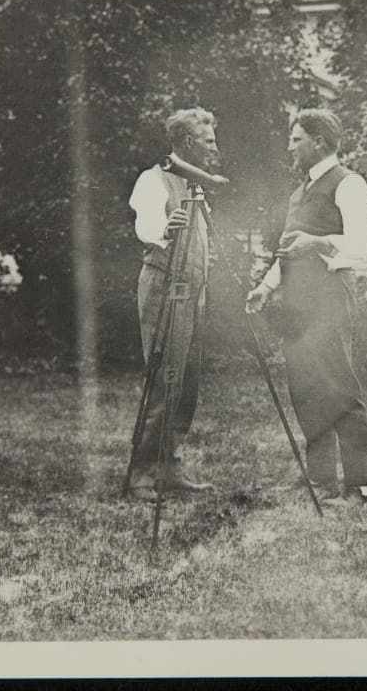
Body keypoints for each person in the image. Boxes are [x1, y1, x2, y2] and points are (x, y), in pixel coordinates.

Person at [246, 109, 367, 509]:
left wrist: (316, 243)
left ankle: (360, 486)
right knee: (304, 389)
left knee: (337, 387)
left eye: (296, 139)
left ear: (318, 142)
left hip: (331, 298)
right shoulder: (299, 192)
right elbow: (288, 250)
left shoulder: (349, 184)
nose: (290, 146)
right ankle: (320, 478)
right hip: (297, 304)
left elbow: (362, 246)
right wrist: (265, 288)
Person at [125, 107, 218, 501]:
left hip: (193, 290)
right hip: (165, 286)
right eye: (210, 141)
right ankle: (141, 474)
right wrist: (166, 228)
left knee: (188, 381)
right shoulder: (154, 179)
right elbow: (144, 226)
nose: (215, 149)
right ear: (188, 143)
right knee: (165, 378)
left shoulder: (196, 184)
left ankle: (168, 467)